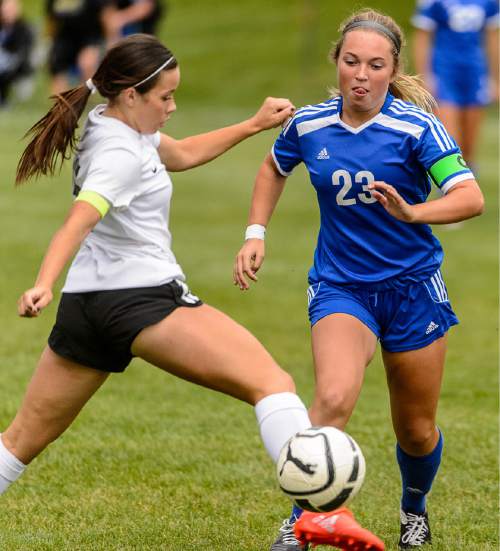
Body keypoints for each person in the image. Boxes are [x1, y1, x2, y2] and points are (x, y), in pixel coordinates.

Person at [0, 33, 378, 550]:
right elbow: (78, 221)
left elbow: (178, 155)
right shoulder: (118, 153)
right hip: (141, 300)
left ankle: (319, 512)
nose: (174, 107)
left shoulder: (111, 122)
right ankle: (323, 511)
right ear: (132, 94)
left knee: (19, 443)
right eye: (166, 98)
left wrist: (252, 125)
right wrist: (42, 281)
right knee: (272, 383)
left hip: (87, 306)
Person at [234, 8, 484, 550]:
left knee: (416, 431)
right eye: (352, 62)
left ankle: (413, 510)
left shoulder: (416, 127)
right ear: (337, 63)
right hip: (341, 286)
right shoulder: (310, 124)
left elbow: (470, 198)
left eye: (375, 65)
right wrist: (256, 231)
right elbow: (274, 167)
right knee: (332, 399)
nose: (361, 75)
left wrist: (414, 213)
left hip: (413, 289)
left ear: (392, 72)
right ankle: (304, 518)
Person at [411, 0, 499, 168]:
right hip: (444, 72)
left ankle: (467, 186)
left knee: (469, 147)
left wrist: (495, 79)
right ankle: (448, 185)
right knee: (451, 141)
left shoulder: (489, 2)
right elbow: (423, 37)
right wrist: (425, 76)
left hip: (474, 73)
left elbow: (493, 38)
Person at [45, 0, 111, 94]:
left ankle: (83, 97)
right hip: (64, 36)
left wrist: (109, 40)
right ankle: (63, 104)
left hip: (91, 36)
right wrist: (49, 39)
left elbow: (106, 15)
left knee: (87, 63)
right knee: (57, 66)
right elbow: (51, 18)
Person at [0, 0, 34, 106]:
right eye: (5, 9)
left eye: (11, 9)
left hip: (18, 65)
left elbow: (23, 52)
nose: (8, 12)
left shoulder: (24, 28)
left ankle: (4, 99)